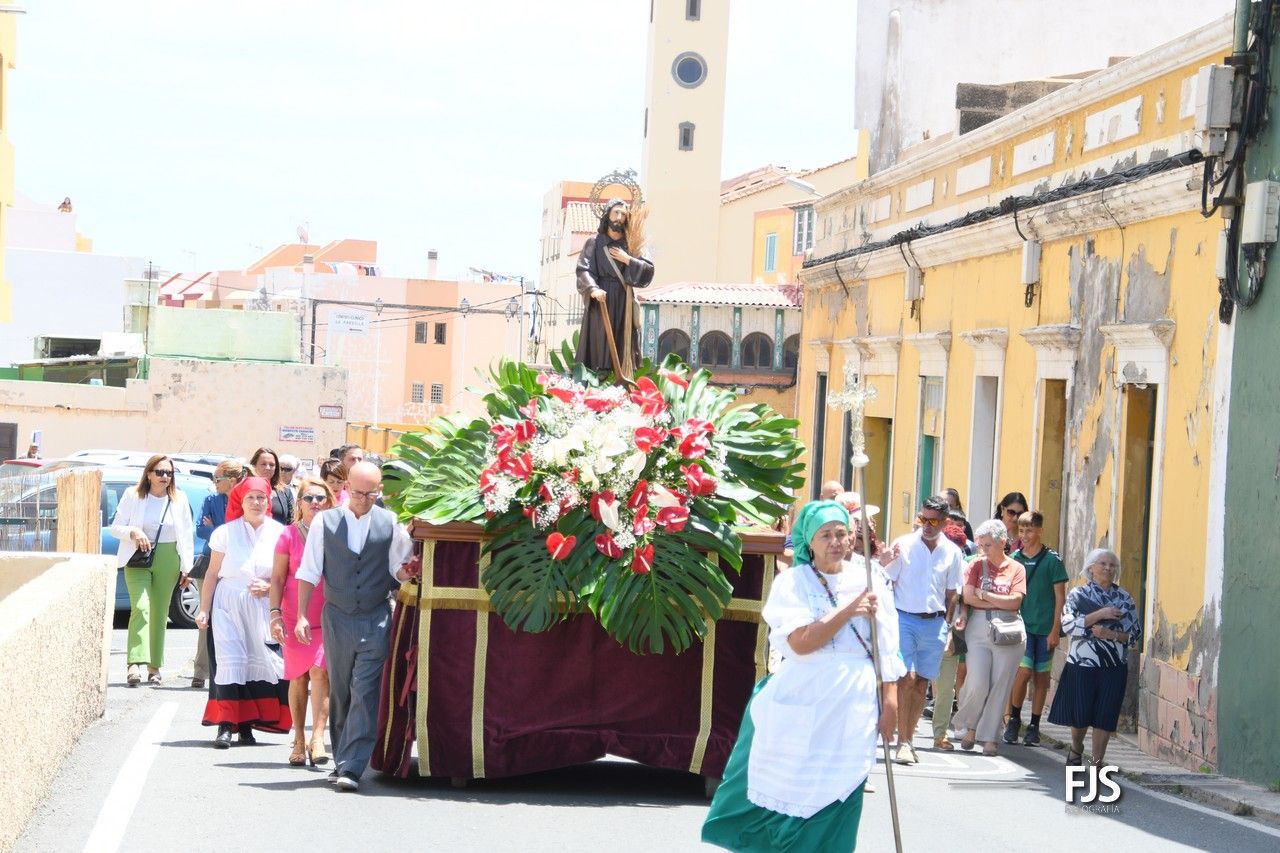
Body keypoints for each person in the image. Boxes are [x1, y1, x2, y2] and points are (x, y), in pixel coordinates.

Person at [702, 501, 902, 851]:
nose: (835, 542)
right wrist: (849, 609)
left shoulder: (871, 580)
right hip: (804, 692)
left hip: (853, 702)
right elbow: (801, 643)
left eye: (841, 533)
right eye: (825, 535)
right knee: (790, 787)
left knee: (842, 788)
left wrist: (890, 703)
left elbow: (888, 647)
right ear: (809, 541)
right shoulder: (793, 582)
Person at [294, 461, 418, 792]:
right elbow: (309, 571)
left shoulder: (390, 522)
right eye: (358, 493)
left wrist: (407, 573)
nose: (363, 500)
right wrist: (301, 615)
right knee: (341, 691)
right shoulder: (324, 522)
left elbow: (397, 567)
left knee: (365, 690)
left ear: (379, 491)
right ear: (346, 487)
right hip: (337, 617)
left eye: (371, 494)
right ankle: (342, 758)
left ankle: (352, 766)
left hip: (376, 617)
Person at [196, 477, 291, 748]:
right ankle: (226, 725)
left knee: (254, 663)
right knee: (230, 662)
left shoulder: (280, 532)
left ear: (268, 501)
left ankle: (247, 726)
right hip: (228, 604)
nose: (256, 502)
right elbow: (212, 574)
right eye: (251, 497)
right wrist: (204, 610)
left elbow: (287, 575)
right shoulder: (225, 533)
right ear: (241, 500)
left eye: (261, 497)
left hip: (263, 606)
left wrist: (269, 586)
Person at [879, 495, 965, 764]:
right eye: (923, 519)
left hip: (935, 622)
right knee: (906, 678)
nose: (927, 525)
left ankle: (908, 738)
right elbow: (887, 581)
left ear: (944, 522)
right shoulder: (904, 544)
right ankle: (902, 742)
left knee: (922, 682)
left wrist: (948, 626)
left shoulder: (952, 552)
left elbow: (952, 593)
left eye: (933, 521)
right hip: (904, 618)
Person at [1048, 549, 1141, 767]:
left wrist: (1111, 634)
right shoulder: (1078, 595)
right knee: (1081, 714)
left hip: (1113, 666)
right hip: (1082, 665)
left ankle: (1097, 762)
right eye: (1103, 564)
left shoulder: (1124, 598)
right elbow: (1068, 625)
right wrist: (1101, 614)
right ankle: (1076, 747)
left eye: (1112, 565)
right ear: (1091, 568)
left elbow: (1135, 635)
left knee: (1105, 716)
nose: (1108, 568)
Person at [110, 454, 195, 687]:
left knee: (159, 612)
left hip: (169, 557)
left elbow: (186, 534)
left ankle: (154, 667)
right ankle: (134, 663)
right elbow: (115, 527)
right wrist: (133, 532)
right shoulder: (133, 495)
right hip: (138, 556)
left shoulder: (179, 498)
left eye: (169, 473)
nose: (164, 476)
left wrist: (187, 568)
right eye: (159, 472)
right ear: (149, 474)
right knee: (141, 607)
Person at [270, 477, 335, 767]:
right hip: (294, 615)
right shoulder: (288, 535)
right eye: (309, 498)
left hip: (327, 615)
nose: (315, 503)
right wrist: (274, 614)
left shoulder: (336, 533)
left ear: (330, 502)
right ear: (299, 503)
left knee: (321, 672)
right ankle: (298, 738)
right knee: (298, 676)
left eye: (320, 498)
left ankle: (318, 737)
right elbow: (277, 578)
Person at [952, 519, 1026, 756]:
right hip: (978, 628)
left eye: (988, 545)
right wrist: (995, 600)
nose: (983, 550)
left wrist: (984, 595)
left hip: (1008, 630)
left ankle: (989, 736)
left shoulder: (1017, 568)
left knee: (999, 685)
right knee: (978, 682)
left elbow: (1015, 602)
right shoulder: (975, 564)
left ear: (1002, 542)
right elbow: (968, 597)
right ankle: (970, 725)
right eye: (981, 545)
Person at [1003, 510, 1068, 746]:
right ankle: (1014, 718)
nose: (1025, 535)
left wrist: (1055, 629)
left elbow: (1060, 597)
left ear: (1039, 531)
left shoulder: (1052, 560)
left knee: (1041, 677)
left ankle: (1035, 725)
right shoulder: (1014, 559)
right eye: (1021, 530)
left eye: (1029, 530)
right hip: (1021, 627)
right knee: (1023, 672)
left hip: (1045, 627)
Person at [575, 199, 655, 376]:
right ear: (607, 215)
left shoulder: (632, 243)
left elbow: (648, 270)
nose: (619, 217)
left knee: (622, 339)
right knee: (599, 340)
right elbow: (583, 269)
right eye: (616, 213)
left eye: (623, 214)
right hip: (600, 299)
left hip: (624, 298)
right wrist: (593, 289)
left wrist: (628, 259)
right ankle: (598, 374)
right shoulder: (594, 242)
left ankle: (621, 376)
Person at [191, 459, 246, 688]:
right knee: (206, 617)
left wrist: (216, 528)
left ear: (231, 480)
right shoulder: (210, 500)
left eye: (217, 478)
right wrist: (222, 532)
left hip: (236, 566)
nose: (214, 482)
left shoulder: (246, 500)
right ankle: (200, 670)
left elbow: (244, 532)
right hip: (210, 562)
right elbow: (201, 530)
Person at [931, 521, 973, 750]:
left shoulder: (963, 568)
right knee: (913, 682)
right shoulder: (928, 563)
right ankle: (904, 732)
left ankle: (940, 734)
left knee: (946, 686)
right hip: (923, 627)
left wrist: (962, 618)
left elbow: (964, 601)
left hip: (950, 632)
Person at [251, 446, 295, 525]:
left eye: (271, 465)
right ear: (254, 466)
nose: (268, 468)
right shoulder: (243, 489)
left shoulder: (285, 491)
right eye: (263, 464)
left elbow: (291, 522)